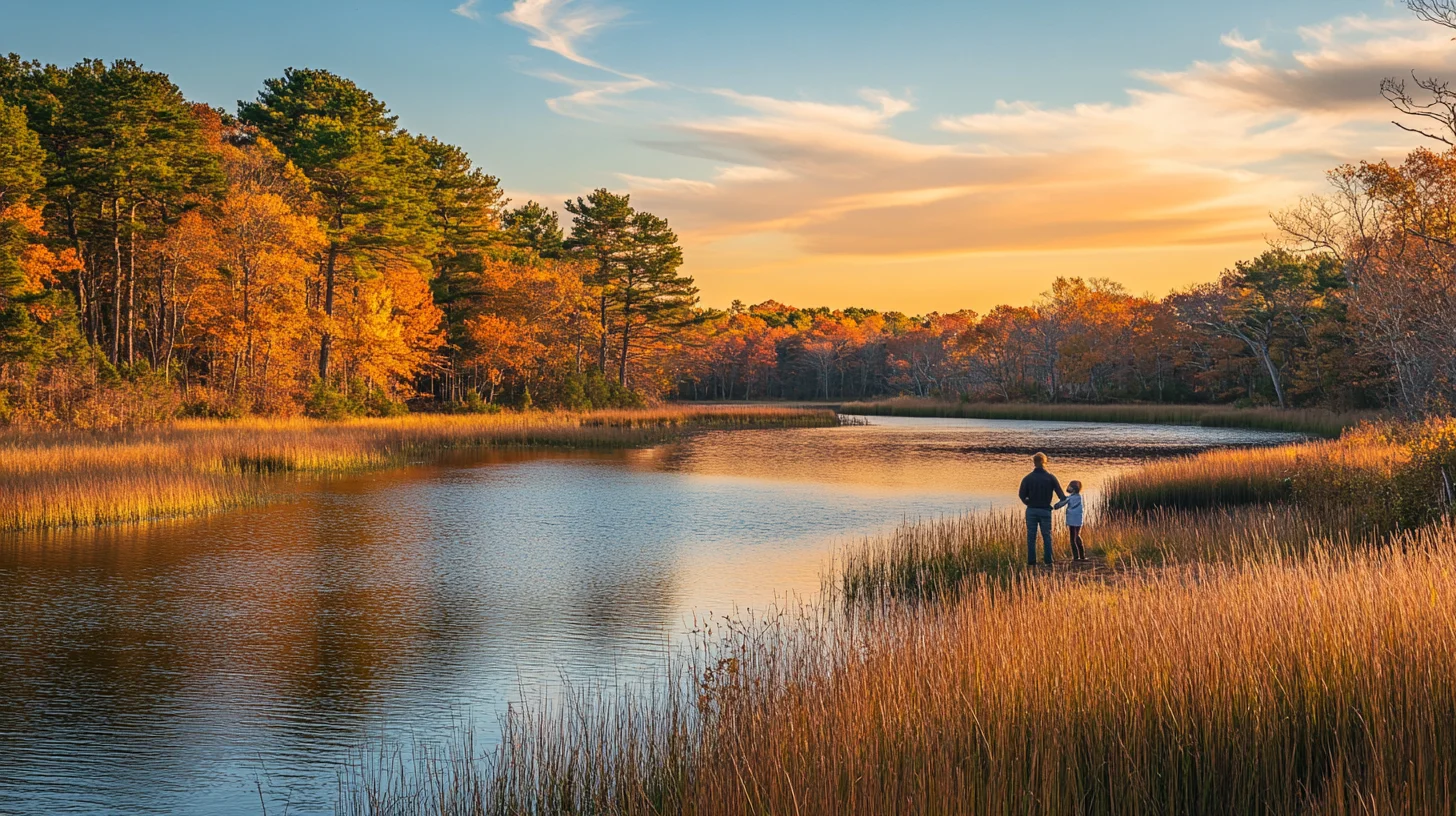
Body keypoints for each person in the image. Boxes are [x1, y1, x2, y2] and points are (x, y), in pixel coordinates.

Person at [1018, 452, 1065, 566]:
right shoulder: (1050, 477)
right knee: (1047, 536)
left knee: (1031, 537)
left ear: (1034, 463)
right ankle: (1048, 561)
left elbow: (1021, 495)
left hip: (1031, 510)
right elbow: (1062, 497)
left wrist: (1028, 502)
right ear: (1045, 462)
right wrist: (1057, 506)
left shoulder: (1028, 478)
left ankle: (1032, 561)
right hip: (1045, 510)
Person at [1054, 480, 1086, 562]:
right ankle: (1082, 555)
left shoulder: (1070, 498)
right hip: (1079, 520)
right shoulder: (1080, 497)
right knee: (1077, 535)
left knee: (1072, 538)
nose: (1068, 487)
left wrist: (1056, 505)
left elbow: (1058, 505)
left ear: (1074, 489)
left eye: (1070, 486)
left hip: (1072, 520)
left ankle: (1076, 557)